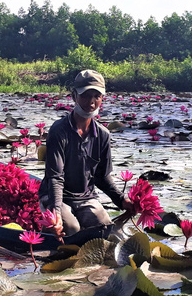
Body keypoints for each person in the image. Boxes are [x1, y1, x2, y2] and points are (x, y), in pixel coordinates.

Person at [38, 69, 135, 237]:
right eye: (85, 95)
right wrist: (56, 213)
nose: (91, 102)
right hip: (56, 196)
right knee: (72, 230)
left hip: (86, 198)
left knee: (105, 231)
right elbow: (55, 177)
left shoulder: (103, 135)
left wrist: (121, 200)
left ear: (102, 98)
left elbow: (102, 177)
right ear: (74, 96)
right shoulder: (59, 131)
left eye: (96, 96)